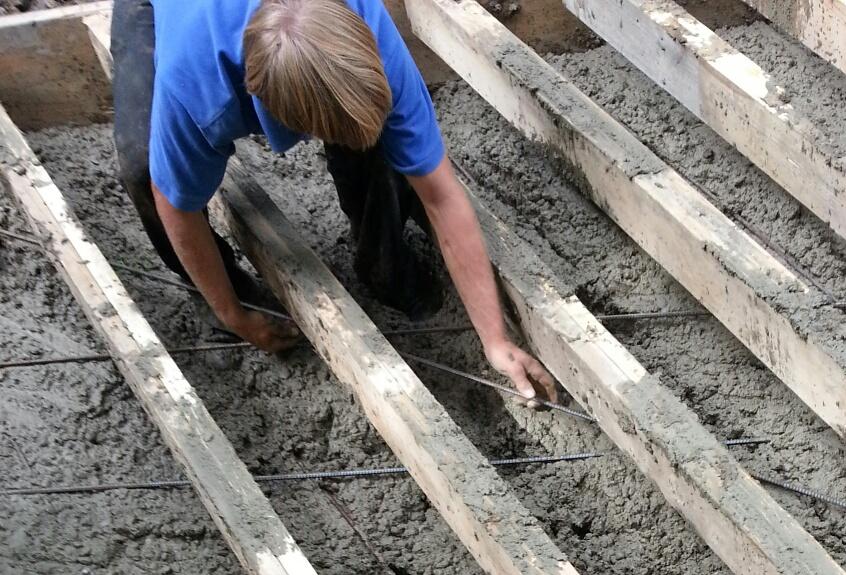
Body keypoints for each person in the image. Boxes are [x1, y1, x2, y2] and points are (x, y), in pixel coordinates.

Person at [111, 0, 555, 401]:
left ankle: (385, 265)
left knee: (383, 148)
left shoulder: (369, 28)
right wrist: (231, 313)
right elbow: (176, 206)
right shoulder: (195, 88)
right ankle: (238, 300)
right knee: (141, 169)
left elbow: (440, 195)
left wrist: (495, 341)